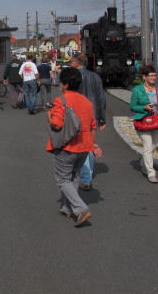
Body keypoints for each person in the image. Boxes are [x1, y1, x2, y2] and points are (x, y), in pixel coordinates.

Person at [48, 67, 98, 227]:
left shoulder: (61, 100)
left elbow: (56, 124)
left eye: (61, 82)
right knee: (73, 177)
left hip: (67, 146)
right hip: (84, 145)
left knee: (62, 179)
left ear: (66, 85)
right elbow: (92, 125)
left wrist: (49, 116)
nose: (60, 85)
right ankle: (67, 208)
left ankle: (80, 208)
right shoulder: (87, 102)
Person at [130, 64, 158, 183]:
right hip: (142, 122)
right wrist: (144, 107)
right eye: (151, 76)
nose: (154, 78)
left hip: (156, 122)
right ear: (144, 77)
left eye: (155, 75)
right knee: (148, 146)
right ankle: (151, 173)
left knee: (153, 146)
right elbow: (132, 107)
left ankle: (143, 164)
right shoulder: (137, 90)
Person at [69, 53, 106, 191]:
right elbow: (101, 96)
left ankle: (85, 177)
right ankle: (88, 173)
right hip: (94, 112)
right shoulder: (95, 76)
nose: (70, 63)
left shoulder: (75, 77)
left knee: (81, 143)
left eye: (72, 61)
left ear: (78, 62)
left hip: (79, 114)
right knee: (90, 143)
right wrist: (102, 117)